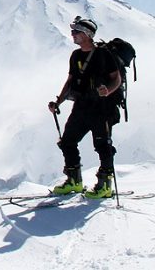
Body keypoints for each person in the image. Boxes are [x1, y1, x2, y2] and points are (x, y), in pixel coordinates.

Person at [47, 16, 123, 198]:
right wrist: (58, 102)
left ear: (87, 34)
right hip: (82, 105)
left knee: (102, 145)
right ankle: (74, 181)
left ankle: (105, 185)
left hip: (102, 107)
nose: (72, 34)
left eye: (76, 32)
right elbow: (71, 81)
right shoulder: (75, 56)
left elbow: (117, 79)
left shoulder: (104, 55)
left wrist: (108, 91)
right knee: (67, 141)